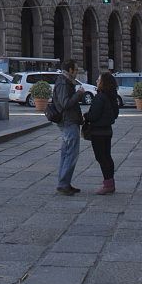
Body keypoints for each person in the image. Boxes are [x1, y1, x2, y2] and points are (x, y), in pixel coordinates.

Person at [53, 61, 88, 195]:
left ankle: (64, 182)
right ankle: (63, 184)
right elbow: (65, 103)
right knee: (70, 154)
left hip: (70, 121)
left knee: (67, 153)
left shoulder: (66, 81)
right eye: (76, 70)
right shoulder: (63, 83)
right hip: (68, 122)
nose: (77, 72)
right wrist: (79, 94)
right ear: (70, 70)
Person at [84, 72, 120, 194]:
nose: (96, 81)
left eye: (99, 79)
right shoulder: (112, 96)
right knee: (107, 157)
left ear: (103, 82)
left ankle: (107, 184)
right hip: (107, 131)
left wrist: (85, 116)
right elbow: (115, 114)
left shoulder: (100, 97)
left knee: (101, 157)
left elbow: (93, 115)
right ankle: (111, 182)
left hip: (98, 132)